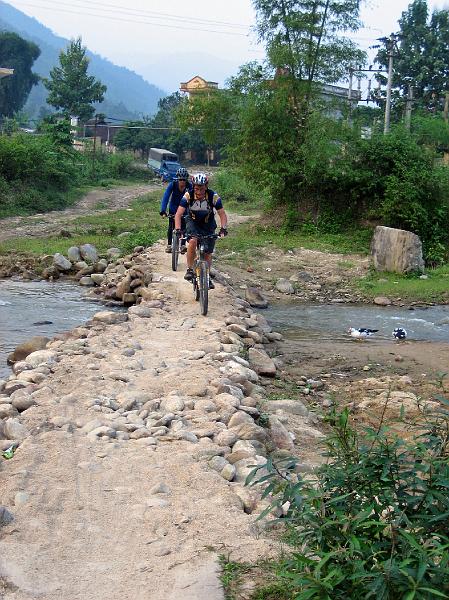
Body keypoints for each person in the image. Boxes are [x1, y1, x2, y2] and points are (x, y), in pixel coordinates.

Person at [174, 172, 228, 289]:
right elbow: (178, 214)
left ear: (206, 186)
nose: (199, 192)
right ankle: (189, 269)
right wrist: (178, 229)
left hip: (208, 223)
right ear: (193, 187)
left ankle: (206, 276)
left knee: (208, 252)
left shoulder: (213, 197)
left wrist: (223, 228)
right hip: (192, 221)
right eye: (197, 188)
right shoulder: (188, 196)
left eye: (202, 188)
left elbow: (222, 214)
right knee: (193, 241)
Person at [159, 167, 191, 253]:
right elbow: (166, 197)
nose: (182, 182)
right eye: (180, 179)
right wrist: (163, 210)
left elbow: (194, 199)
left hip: (184, 209)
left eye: (184, 180)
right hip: (173, 208)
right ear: (177, 179)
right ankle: (169, 245)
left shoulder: (189, 186)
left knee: (184, 226)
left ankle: (183, 245)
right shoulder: (172, 185)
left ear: (186, 180)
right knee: (171, 226)